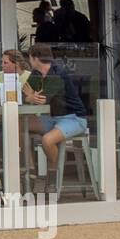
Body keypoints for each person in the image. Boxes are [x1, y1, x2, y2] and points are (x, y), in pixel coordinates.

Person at [26, 43, 88, 191]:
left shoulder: (57, 73)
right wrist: (29, 97)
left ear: (35, 58)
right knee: (19, 125)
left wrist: (30, 96)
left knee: (47, 140)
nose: (29, 61)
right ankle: (30, 173)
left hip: (73, 118)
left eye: (29, 58)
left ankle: (52, 175)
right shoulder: (36, 73)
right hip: (52, 118)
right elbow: (24, 96)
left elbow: (41, 99)